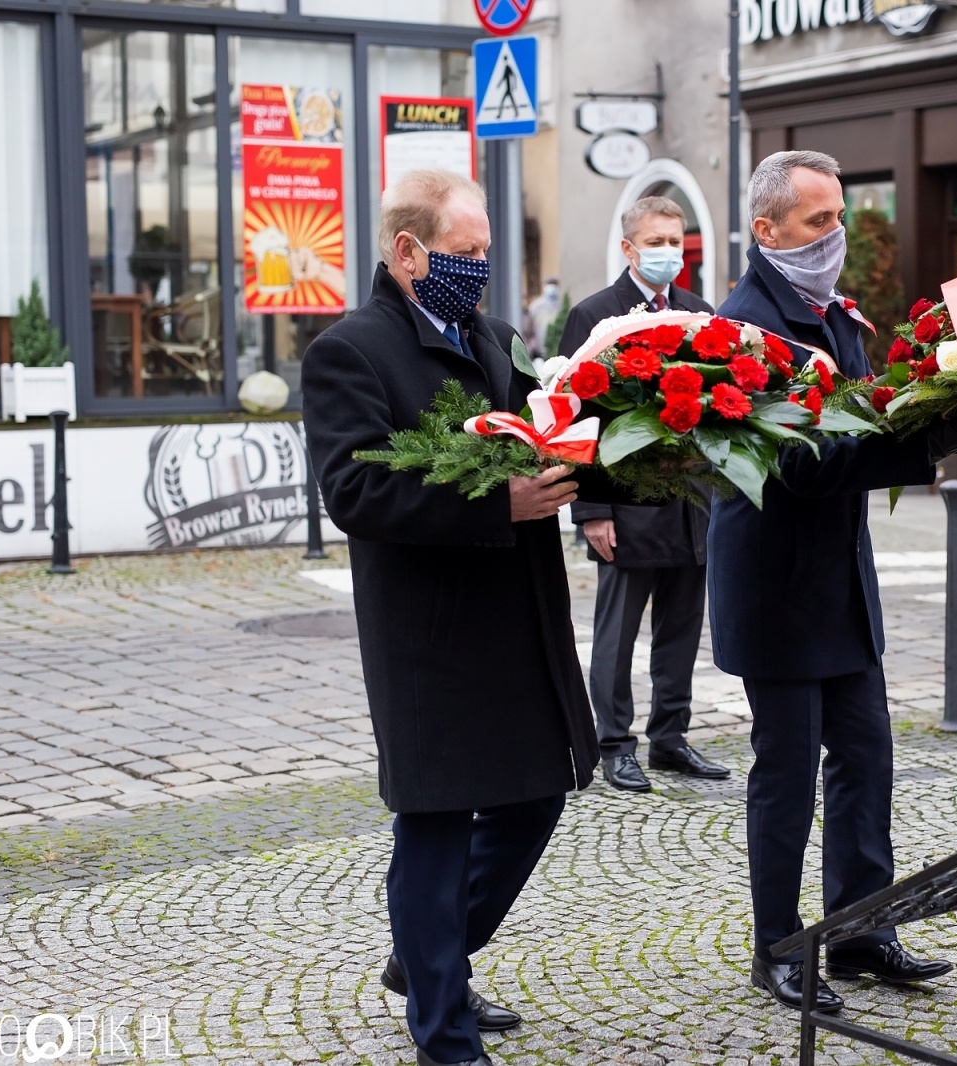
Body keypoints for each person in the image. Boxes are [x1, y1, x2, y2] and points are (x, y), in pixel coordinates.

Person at [302, 169, 611, 1066]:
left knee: (537, 798)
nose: (480, 269)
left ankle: (425, 955)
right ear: (409, 253)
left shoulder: (499, 338)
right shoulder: (349, 352)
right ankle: (443, 1027)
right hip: (428, 634)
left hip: (518, 620)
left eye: (484, 253)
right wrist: (494, 508)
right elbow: (354, 490)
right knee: (435, 825)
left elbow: (551, 439)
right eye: (466, 253)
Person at [712, 150, 957, 1013]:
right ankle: (779, 946)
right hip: (776, 591)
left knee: (866, 759)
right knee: (787, 773)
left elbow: (868, 412)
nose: (835, 235)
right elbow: (806, 465)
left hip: (840, 585)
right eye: (819, 221)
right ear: (767, 231)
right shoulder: (745, 330)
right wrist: (932, 438)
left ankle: (860, 929)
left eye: (840, 216)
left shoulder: (835, 318)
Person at [560, 196, 727, 792]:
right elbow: (577, 418)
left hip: (691, 505)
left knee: (682, 627)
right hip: (625, 506)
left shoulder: (699, 312)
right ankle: (613, 743)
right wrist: (592, 510)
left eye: (675, 244)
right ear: (629, 248)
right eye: (655, 242)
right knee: (618, 633)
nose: (668, 254)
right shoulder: (596, 315)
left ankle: (670, 738)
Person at [525, 276, 562, 359]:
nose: (552, 288)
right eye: (549, 285)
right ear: (543, 287)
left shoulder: (562, 306)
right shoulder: (535, 307)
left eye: (554, 285)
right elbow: (528, 330)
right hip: (539, 351)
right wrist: (532, 346)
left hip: (558, 351)